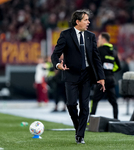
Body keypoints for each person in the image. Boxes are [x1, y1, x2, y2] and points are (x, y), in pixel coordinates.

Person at [51, 9, 105, 144]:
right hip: (70, 74)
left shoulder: (91, 36)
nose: (89, 22)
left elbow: (96, 58)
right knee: (71, 104)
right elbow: (55, 54)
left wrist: (101, 77)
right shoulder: (65, 35)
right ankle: (78, 128)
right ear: (77, 21)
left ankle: (80, 136)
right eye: (86, 19)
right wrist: (58, 65)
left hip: (87, 75)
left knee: (85, 106)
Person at [90, 32, 121, 119]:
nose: (98, 41)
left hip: (101, 79)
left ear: (103, 40)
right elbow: (118, 67)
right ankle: (116, 119)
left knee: (95, 100)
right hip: (111, 79)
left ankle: (90, 121)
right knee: (114, 102)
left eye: (99, 39)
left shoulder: (99, 50)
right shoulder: (114, 52)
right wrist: (110, 70)